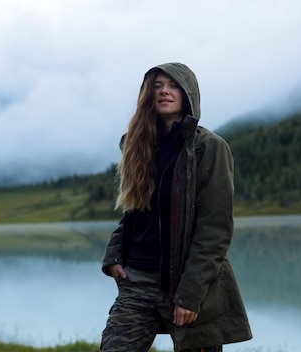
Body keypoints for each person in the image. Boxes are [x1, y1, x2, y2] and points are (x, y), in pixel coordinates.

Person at [100, 62, 252, 352]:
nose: (164, 92)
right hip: (137, 281)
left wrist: (190, 295)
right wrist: (114, 252)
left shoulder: (209, 147)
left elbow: (215, 230)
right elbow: (134, 212)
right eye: (157, 86)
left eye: (172, 86)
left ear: (187, 93)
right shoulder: (137, 146)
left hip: (188, 285)